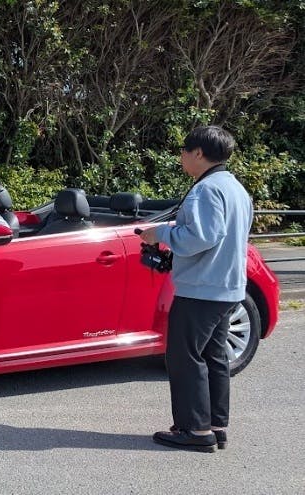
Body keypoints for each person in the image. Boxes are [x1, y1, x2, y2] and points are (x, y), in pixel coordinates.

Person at [138, 125, 252, 453]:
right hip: (227, 286)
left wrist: (161, 234)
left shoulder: (206, 189)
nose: (181, 157)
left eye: (184, 151)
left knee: (184, 357)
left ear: (198, 153)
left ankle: (195, 430)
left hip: (202, 288)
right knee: (214, 356)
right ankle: (215, 426)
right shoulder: (236, 188)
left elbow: (201, 237)